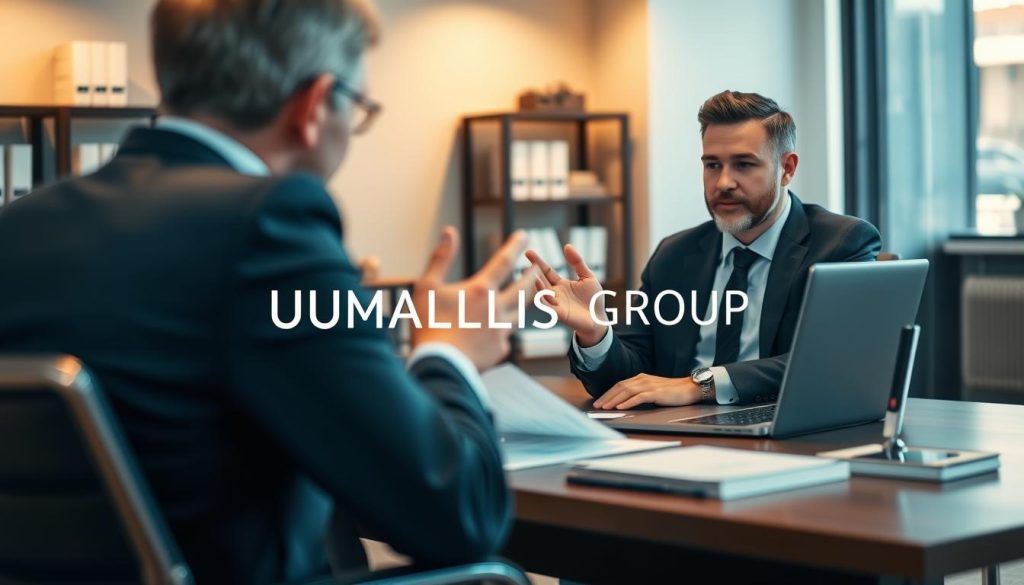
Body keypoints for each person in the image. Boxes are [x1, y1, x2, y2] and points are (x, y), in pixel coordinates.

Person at [0, 0, 533, 582]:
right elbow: (459, 514)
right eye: (356, 109)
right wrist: (448, 350)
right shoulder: (270, 224)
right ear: (313, 106)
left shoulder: (20, 227)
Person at [527, 90, 881, 410]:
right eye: (712, 165)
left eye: (743, 164)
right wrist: (595, 333)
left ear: (786, 168)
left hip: (791, 432)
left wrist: (699, 385)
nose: (723, 182)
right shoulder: (675, 255)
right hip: (682, 434)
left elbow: (830, 361)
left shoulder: (841, 244)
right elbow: (627, 381)